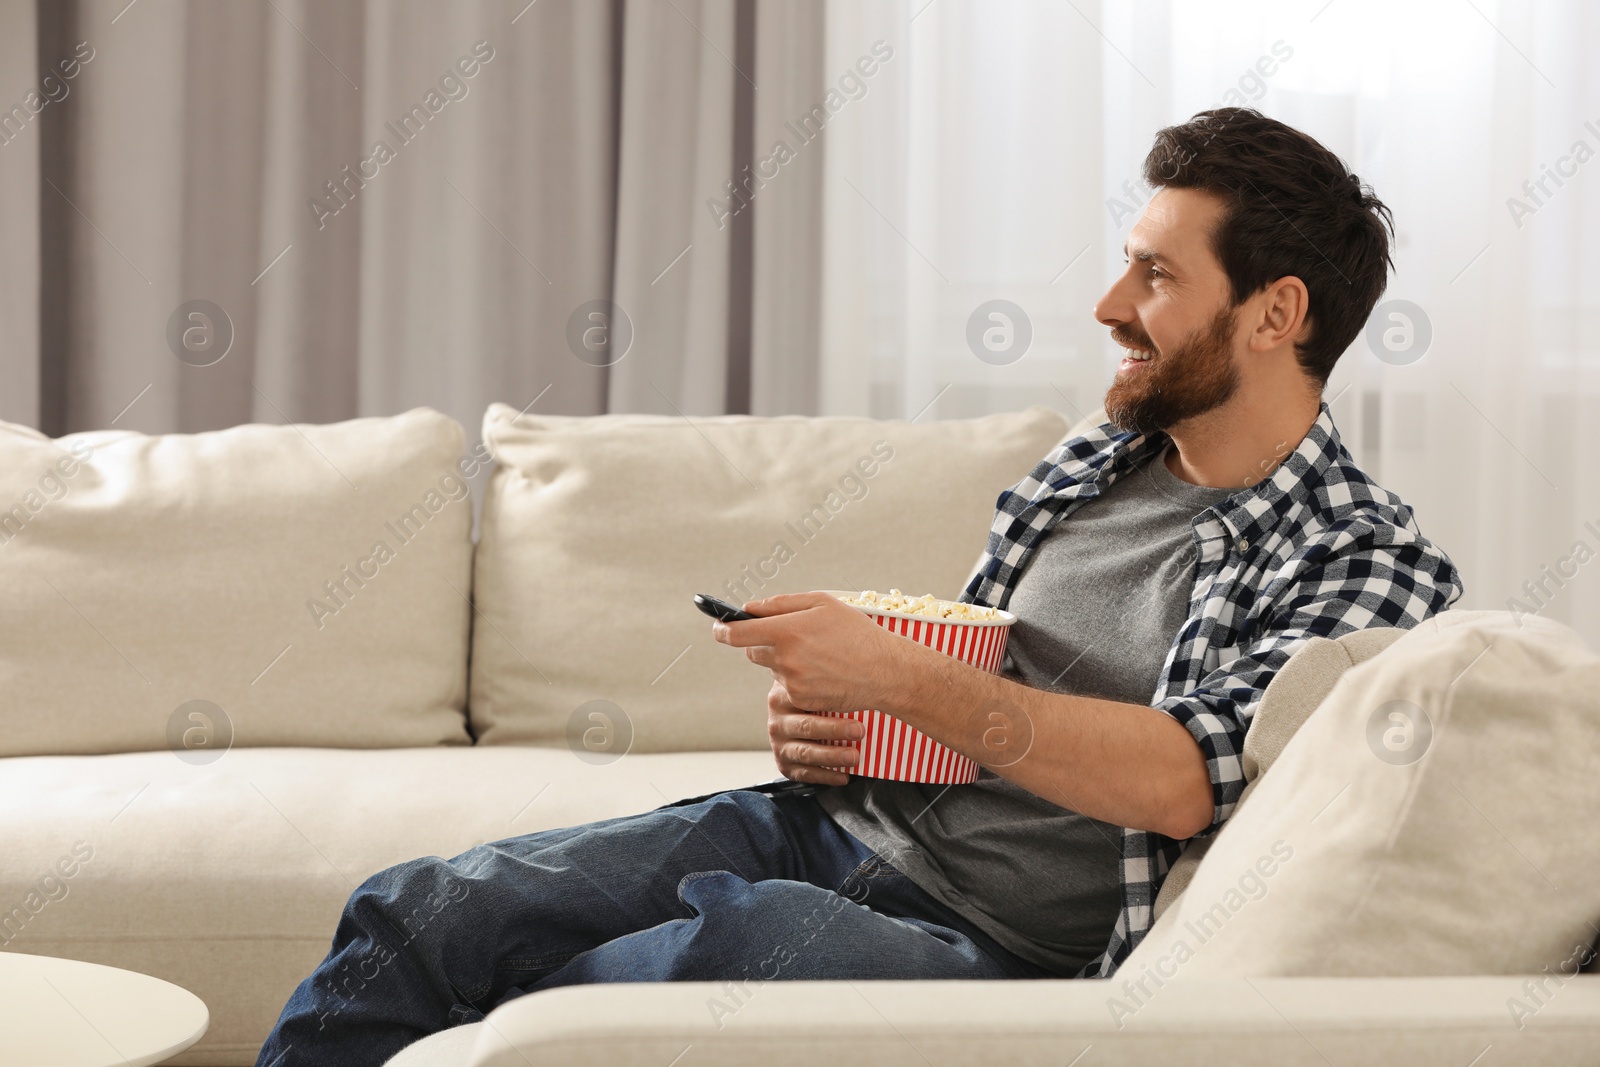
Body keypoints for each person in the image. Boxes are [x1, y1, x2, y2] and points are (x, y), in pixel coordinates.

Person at [256, 107, 1463, 1066]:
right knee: (420, 909)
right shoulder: (1094, 462)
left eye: (1153, 275)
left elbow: (1179, 776)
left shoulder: (1361, 556)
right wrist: (846, 723)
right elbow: (983, 687)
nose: (1108, 305)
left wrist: (899, 674)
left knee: (622, 993)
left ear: (1276, 312)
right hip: (835, 826)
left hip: (1001, 944)